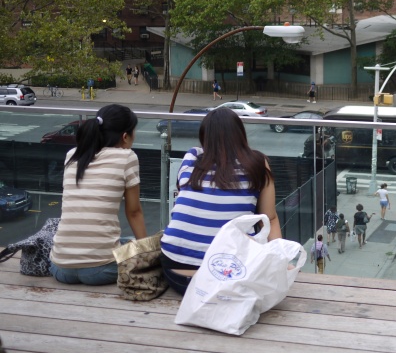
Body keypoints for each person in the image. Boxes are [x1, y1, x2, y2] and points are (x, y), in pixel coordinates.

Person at [160, 107, 281, 295]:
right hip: (225, 279)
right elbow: (269, 219)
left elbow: (185, 195)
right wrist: (282, 261)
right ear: (240, 135)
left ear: (204, 137)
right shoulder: (257, 162)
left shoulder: (191, 158)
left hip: (174, 270)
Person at [49, 104, 147, 286]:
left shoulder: (72, 155)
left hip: (60, 268)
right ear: (125, 136)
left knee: (122, 240)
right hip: (101, 270)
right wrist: (147, 253)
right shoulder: (127, 157)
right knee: (132, 243)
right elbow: (134, 212)